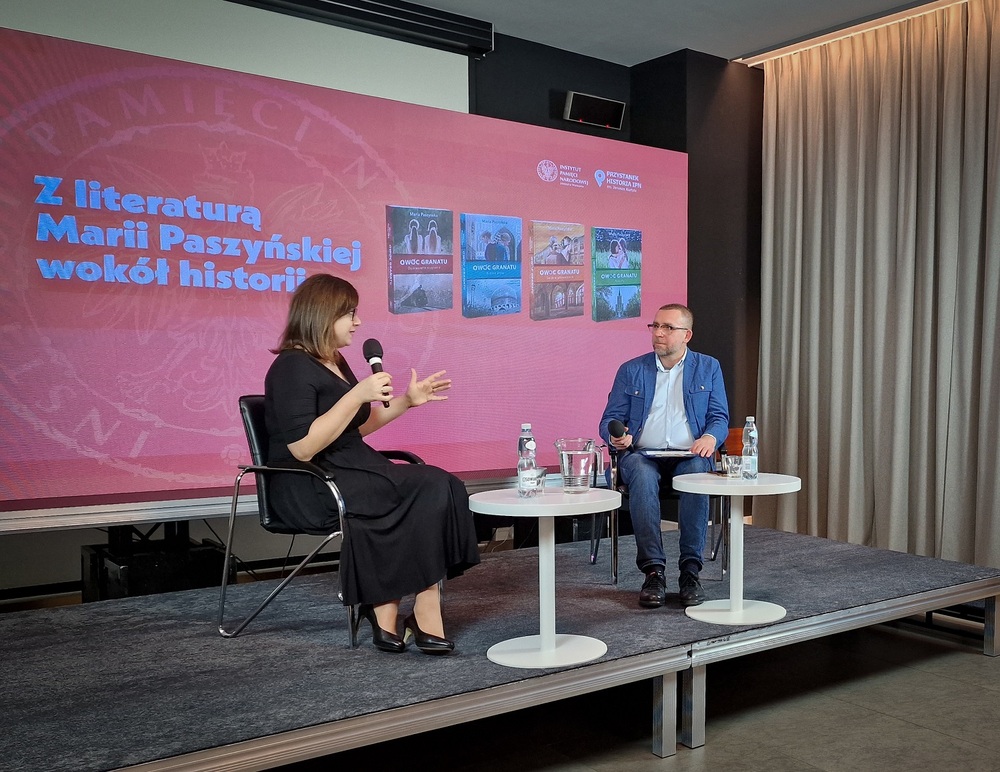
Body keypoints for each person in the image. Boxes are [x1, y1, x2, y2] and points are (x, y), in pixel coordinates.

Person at [264, 273, 480, 653]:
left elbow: (356, 428)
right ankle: (417, 609)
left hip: (353, 466)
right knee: (427, 485)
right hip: (311, 481)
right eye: (350, 313)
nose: (358, 322)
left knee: (442, 484)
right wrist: (356, 395)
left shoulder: (334, 361)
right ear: (323, 314)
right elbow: (302, 448)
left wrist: (407, 401)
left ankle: (393, 607)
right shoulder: (290, 367)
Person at [599, 303, 729, 608]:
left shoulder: (708, 367)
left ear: (687, 335)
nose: (658, 333)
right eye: (655, 326)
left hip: (689, 454)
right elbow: (609, 419)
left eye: (668, 328)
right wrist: (616, 436)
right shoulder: (631, 370)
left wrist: (710, 437)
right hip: (642, 454)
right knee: (642, 474)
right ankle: (653, 571)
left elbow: (719, 417)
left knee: (696, 472)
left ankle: (690, 571)